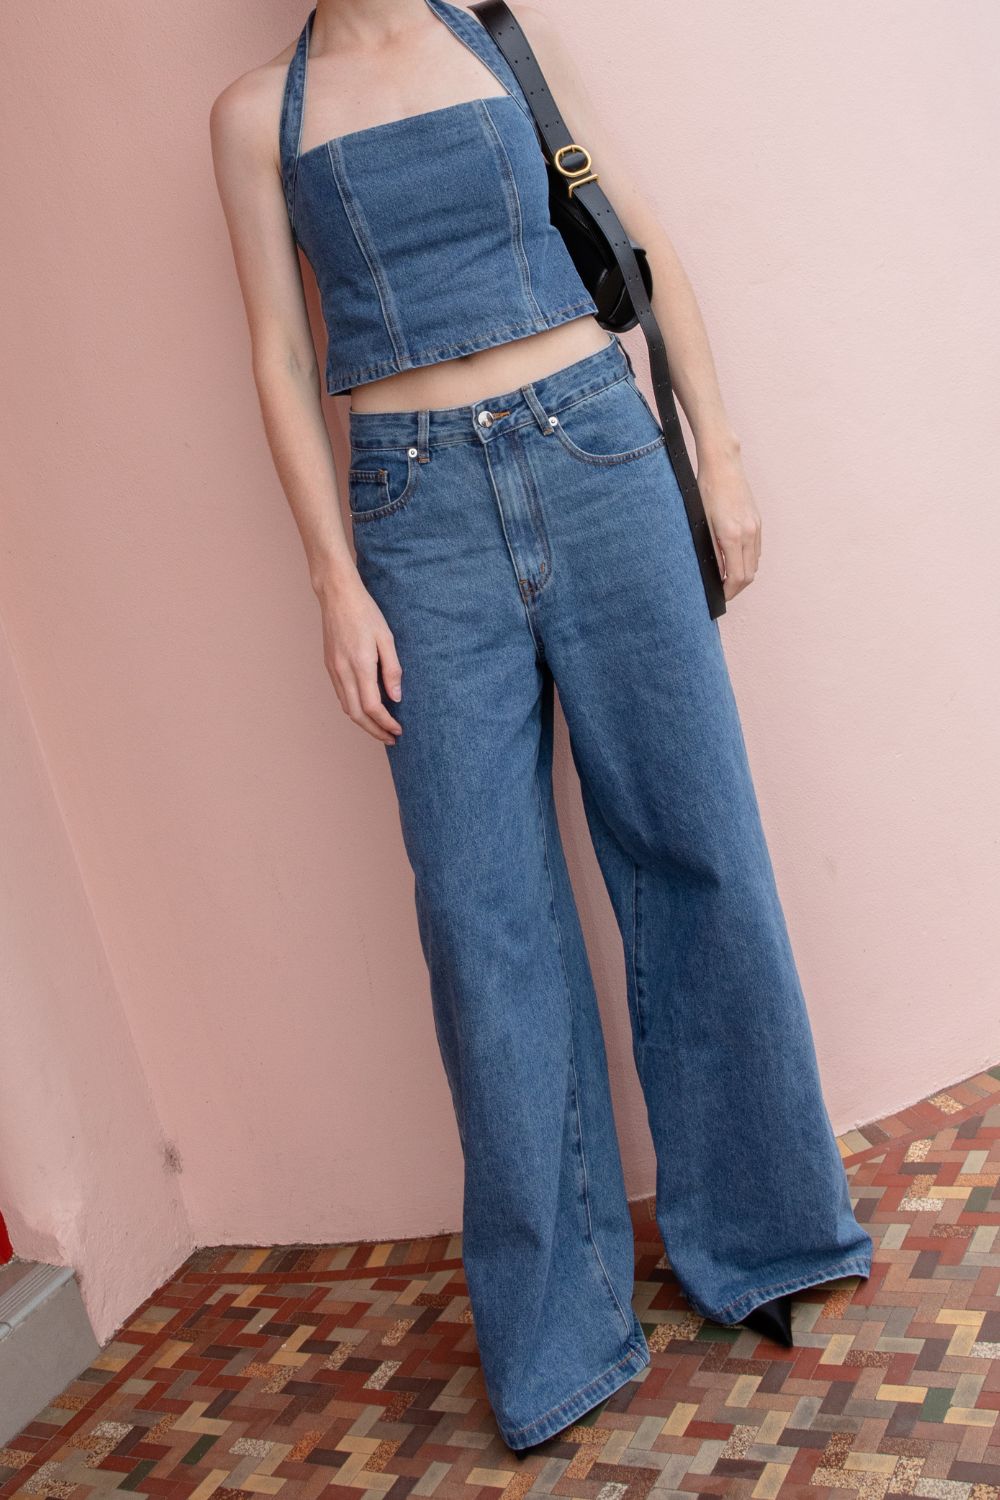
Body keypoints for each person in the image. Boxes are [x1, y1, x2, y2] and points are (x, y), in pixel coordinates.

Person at [210, 0, 873, 1455]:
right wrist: (333, 581)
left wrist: (718, 452)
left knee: (698, 850)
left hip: (596, 450)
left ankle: (765, 1237)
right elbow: (279, 356)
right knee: (484, 923)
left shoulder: (501, 35)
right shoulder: (257, 115)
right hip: (413, 514)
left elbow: (639, 236)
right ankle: (561, 1335)